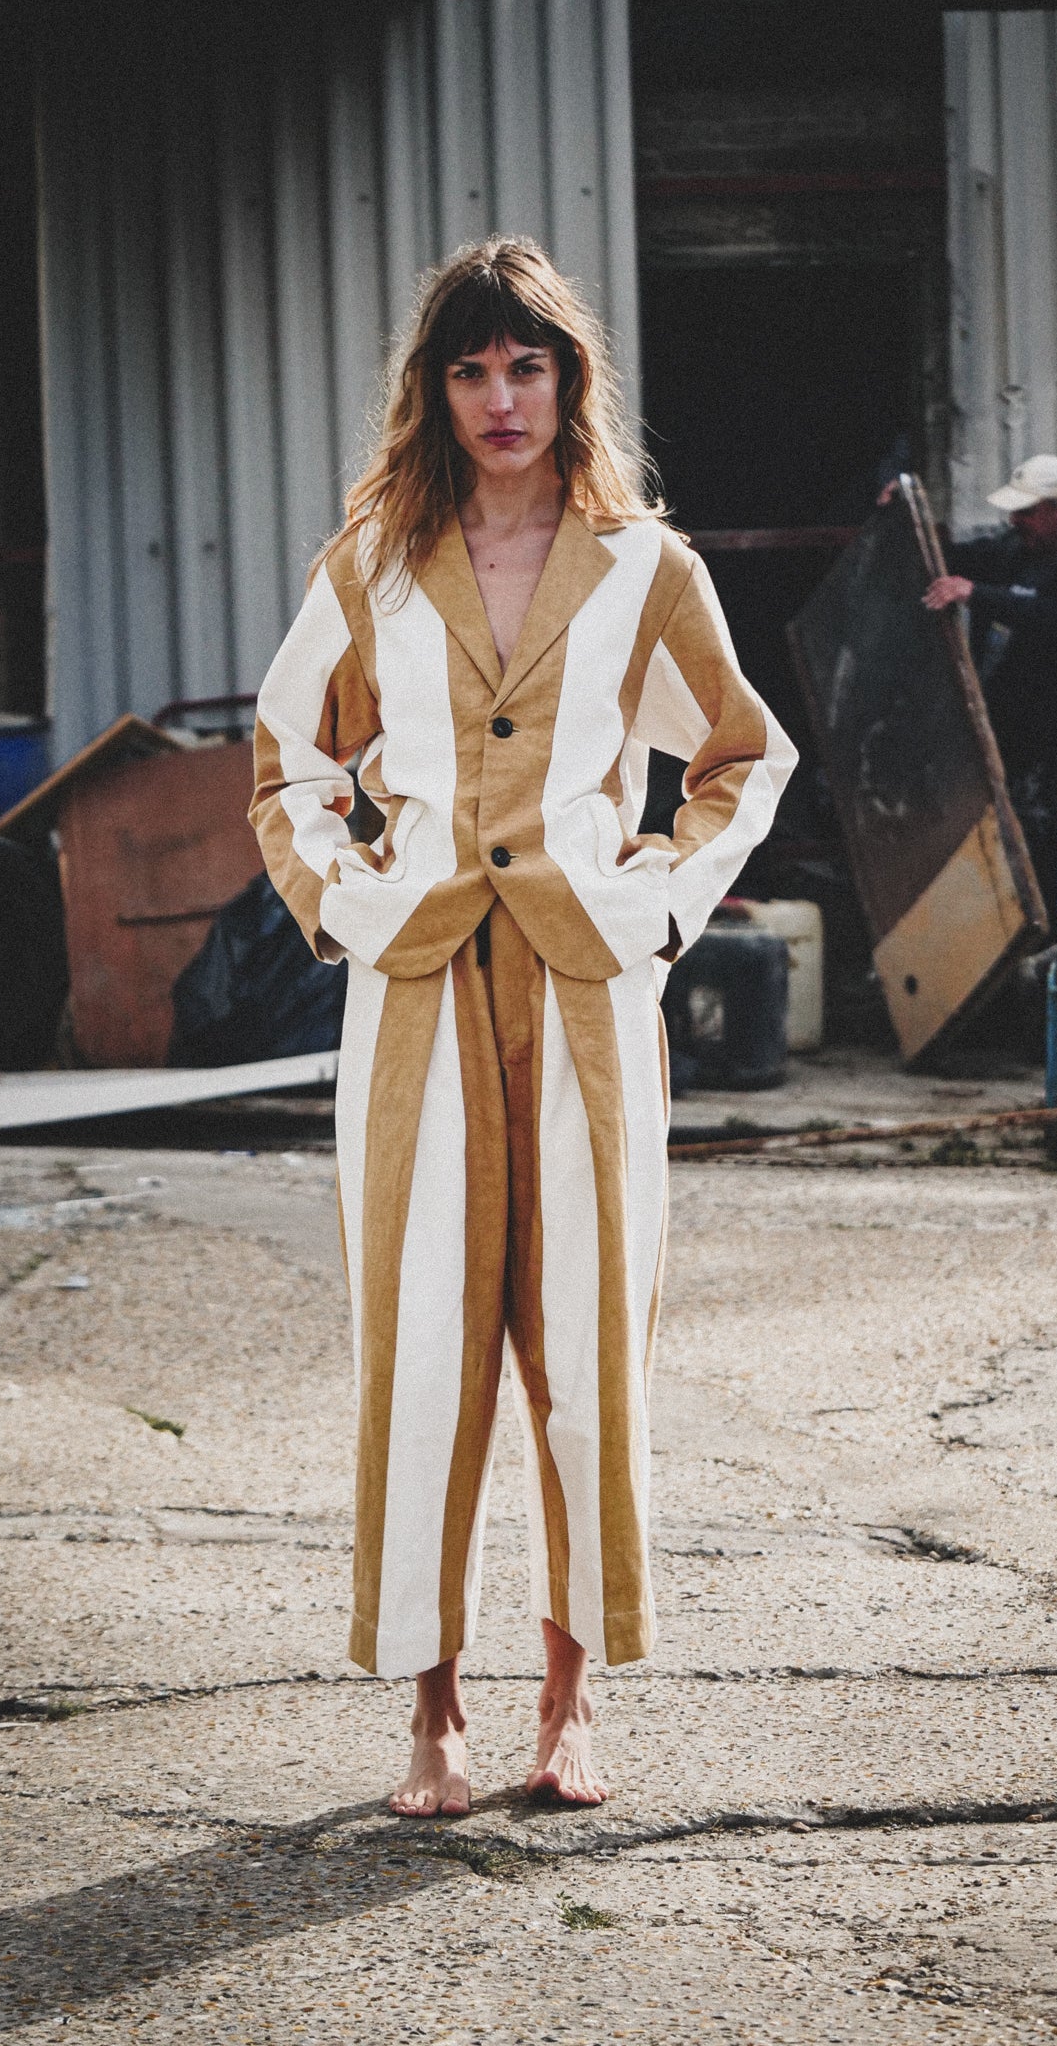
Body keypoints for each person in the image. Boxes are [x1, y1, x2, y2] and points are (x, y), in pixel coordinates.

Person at [250, 239, 795, 1816]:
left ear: (571, 380)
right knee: (425, 1345)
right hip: (416, 994)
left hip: (583, 996)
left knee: (583, 1348)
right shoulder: (364, 564)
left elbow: (744, 761)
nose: (503, 399)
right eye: (472, 369)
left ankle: (565, 1704)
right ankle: (432, 1712)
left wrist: (661, 904)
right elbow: (289, 765)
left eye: (529, 366)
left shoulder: (645, 568)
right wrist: (352, 905)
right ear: (436, 390)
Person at [889, 454, 1057, 916]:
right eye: (1015, 512)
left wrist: (979, 595)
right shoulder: (1012, 553)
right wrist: (900, 512)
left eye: (1029, 511)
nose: (1018, 521)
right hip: (1011, 745)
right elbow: (945, 557)